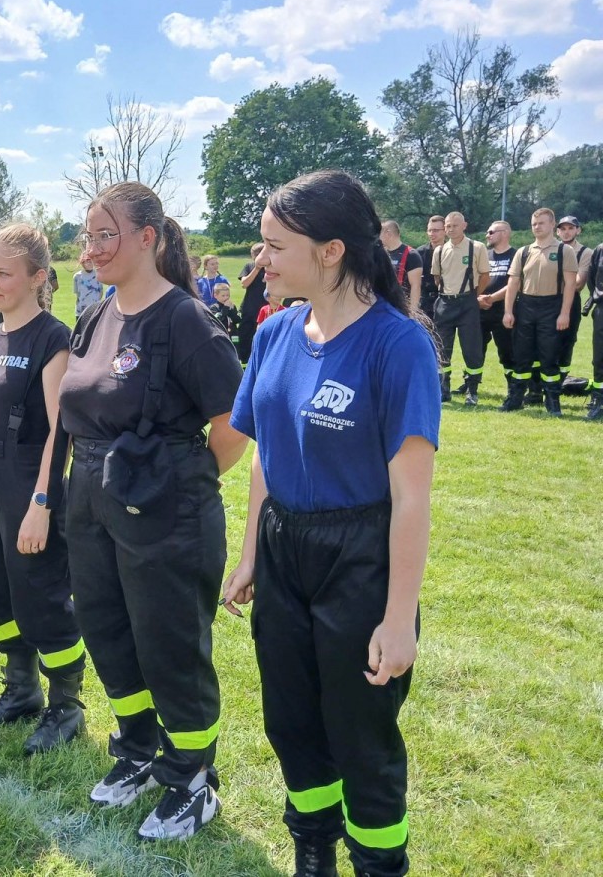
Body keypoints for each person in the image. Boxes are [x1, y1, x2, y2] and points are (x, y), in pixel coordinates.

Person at [222, 169, 440, 877]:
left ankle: (379, 865)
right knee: (291, 719)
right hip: (285, 549)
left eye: (275, 246)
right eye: (262, 245)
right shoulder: (276, 332)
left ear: (331, 250)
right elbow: (263, 455)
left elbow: (411, 498)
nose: (263, 262)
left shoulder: (396, 344)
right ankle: (313, 848)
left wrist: (398, 617)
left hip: (360, 556)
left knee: (359, 732)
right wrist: (254, 551)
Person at [58, 182, 246, 841]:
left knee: (169, 644)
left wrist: (181, 482)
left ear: (149, 237)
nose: (93, 249)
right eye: (88, 236)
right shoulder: (96, 314)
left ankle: (192, 778)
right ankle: (138, 750)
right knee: (108, 631)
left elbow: (234, 423)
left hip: (164, 508)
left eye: (105, 234)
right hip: (92, 497)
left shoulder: (185, 320)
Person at [0, 223, 86, 755]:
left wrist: (42, 503)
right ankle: (21, 690)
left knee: (41, 595)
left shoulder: (53, 338)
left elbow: (61, 429)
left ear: (37, 277)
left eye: (4, 272)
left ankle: (65, 705)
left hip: (29, 478)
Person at [501, 208, 580, 416]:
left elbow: (570, 285)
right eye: (534, 224)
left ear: (552, 224)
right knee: (521, 355)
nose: (537, 227)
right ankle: (515, 399)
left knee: (549, 355)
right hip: (525, 306)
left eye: (542, 223)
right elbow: (513, 283)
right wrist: (508, 311)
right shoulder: (524, 251)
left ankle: (552, 401)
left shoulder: (565, 251)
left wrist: (565, 313)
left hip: (552, 307)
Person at [431, 211, 489, 404]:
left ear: (464, 225)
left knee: (472, 350)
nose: (451, 229)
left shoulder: (477, 247)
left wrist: (472, 296)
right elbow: (437, 278)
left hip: (467, 303)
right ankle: (443, 388)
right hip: (445, 303)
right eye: (448, 226)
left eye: (455, 225)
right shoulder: (439, 250)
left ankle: (472, 390)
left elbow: (484, 276)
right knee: (442, 348)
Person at [471, 221, 517, 397]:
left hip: (503, 310)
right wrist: (477, 299)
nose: (487, 235)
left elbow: (515, 284)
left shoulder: (516, 255)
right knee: (476, 349)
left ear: (504, 233)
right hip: (481, 310)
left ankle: (513, 387)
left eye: (491, 232)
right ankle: (471, 385)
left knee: (507, 351)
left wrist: (491, 298)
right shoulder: (485, 255)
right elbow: (475, 279)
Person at [555, 215, 589, 386]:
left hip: (570, 303)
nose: (566, 232)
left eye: (570, 228)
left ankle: (559, 383)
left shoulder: (585, 253)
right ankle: (538, 387)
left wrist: (550, 284)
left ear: (578, 230)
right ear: (557, 232)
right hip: (548, 301)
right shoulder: (551, 249)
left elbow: (578, 284)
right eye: (563, 229)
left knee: (566, 342)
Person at [379, 221, 422, 313]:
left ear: (388, 233)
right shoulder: (381, 254)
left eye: (379, 233)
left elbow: (415, 286)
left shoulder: (411, 255)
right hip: (384, 305)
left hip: (402, 306)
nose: (378, 237)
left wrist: (413, 311)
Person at [237, 243, 267, 363]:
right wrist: (257, 268)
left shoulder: (272, 267)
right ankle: (245, 360)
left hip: (267, 307)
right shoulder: (249, 266)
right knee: (246, 334)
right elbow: (244, 283)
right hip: (250, 307)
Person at [584, 240, 603, 420]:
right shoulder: (600, 249)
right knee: (600, 358)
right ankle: (600, 401)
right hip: (602, 309)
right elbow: (592, 278)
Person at [415, 215, 445, 322]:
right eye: (430, 230)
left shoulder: (453, 252)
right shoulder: (419, 252)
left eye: (436, 230)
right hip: (424, 301)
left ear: (445, 231)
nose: (432, 234)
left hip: (445, 300)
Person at [73, 252, 102, 318]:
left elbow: (100, 292)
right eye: (87, 261)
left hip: (95, 309)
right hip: (81, 310)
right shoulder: (77, 276)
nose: (89, 264)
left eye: (91, 261)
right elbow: (77, 293)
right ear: (82, 263)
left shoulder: (98, 274)